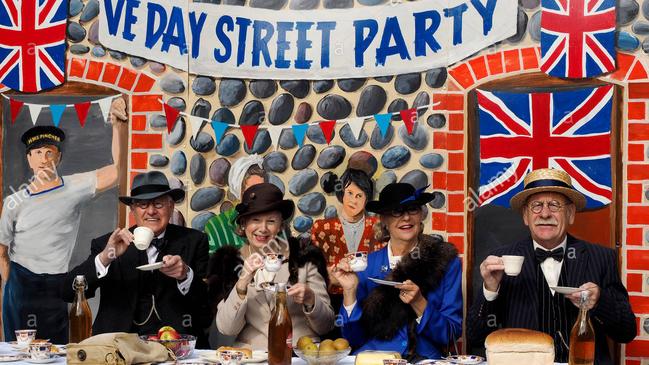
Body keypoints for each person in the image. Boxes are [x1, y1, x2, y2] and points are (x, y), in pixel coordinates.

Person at [467, 168, 636, 364]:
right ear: (525, 216)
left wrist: (599, 301)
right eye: (536, 206)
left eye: (555, 205)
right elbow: (475, 336)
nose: (545, 213)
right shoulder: (500, 261)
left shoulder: (601, 257)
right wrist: (490, 290)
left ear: (571, 214)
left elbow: (627, 332)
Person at [0, 98, 126, 343]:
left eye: (50, 152)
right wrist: (14, 285)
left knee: (57, 351)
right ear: (29, 159)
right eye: (37, 153)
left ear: (58, 157)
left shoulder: (74, 186)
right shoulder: (13, 201)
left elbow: (116, 172)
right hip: (21, 283)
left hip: (57, 283)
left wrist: (118, 126)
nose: (44, 158)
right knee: (18, 353)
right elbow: (1, 251)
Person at [61, 171, 210, 342]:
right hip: (118, 344)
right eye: (143, 205)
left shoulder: (194, 241)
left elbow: (206, 306)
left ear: (171, 206)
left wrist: (186, 275)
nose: (151, 211)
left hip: (175, 344)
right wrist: (105, 258)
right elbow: (67, 292)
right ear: (132, 209)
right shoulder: (108, 244)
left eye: (158, 204)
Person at [332, 183, 462, 361]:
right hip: (375, 360)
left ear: (421, 215)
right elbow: (353, 339)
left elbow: (450, 334)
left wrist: (419, 304)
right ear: (384, 219)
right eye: (397, 211)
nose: (406, 217)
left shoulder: (446, 262)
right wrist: (349, 291)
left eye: (413, 209)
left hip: (423, 360)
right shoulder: (366, 266)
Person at [215, 183, 335, 350]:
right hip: (252, 355)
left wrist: (311, 299)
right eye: (255, 220)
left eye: (271, 221)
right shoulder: (230, 262)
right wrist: (242, 282)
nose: (263, 229)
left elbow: (327, 325)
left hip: (299, 352)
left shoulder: (303, 256)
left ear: (280, 226)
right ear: (243, 224)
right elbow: (226, 328)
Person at [204, 154, 267, 253]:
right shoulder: (216, 226)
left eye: (263, 189)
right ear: (239, 191)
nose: (259, 195)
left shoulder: (274, 221)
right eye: (252, 190)